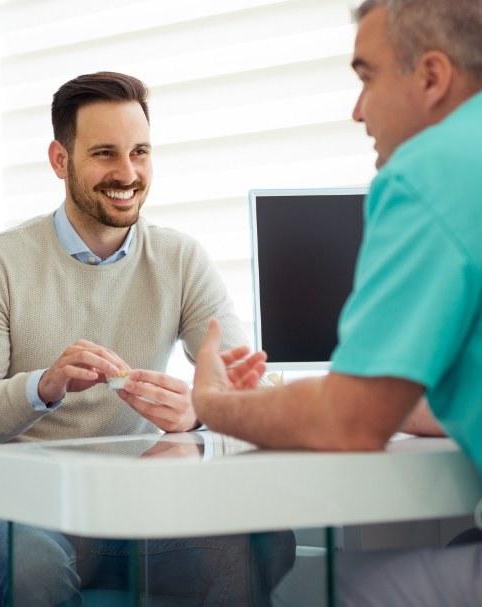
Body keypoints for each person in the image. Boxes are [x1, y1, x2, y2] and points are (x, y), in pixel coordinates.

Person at [0, 72, 293, 606]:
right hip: (23, 510)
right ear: (61, 160)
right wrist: (44, 386)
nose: (127, 173)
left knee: (261, 544)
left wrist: (201, 409)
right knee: (36, 566)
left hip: (132, 511)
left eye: (140, 152)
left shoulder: (180, 259)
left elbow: (246, 380)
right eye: (105, 153)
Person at [192, 0, 482, 604]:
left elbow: (350, 423)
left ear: (431, 77)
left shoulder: (430, 171)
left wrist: (214, 405)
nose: (357, 111)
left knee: (307, 589)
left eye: (366, 78)